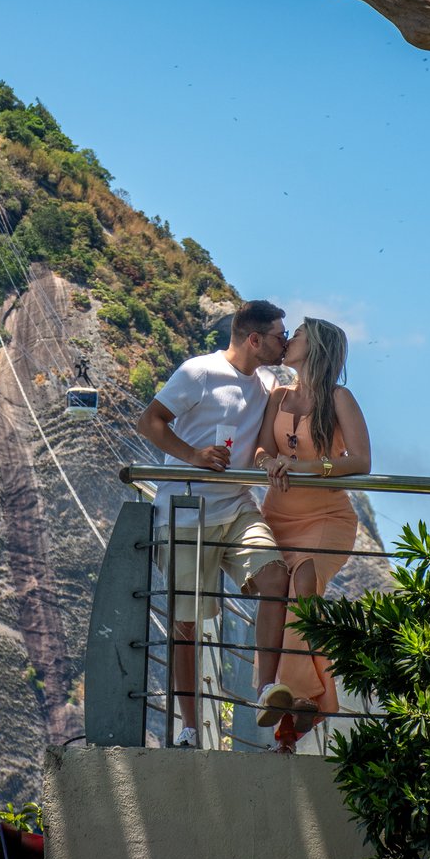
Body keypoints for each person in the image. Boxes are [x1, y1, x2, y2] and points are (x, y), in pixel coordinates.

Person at [138, 300, 293, 748]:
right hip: (186, 512)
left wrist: (269, 461)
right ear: (254, 339)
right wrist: (195, 457)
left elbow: (259, 444)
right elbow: (149, 421)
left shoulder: (266, 384)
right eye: (280, 336)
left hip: (238, 507)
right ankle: (189, 727)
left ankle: (265, 689)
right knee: (187, 624)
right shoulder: (198, 372)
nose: (284, 343)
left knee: (274, 576)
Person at [254, 317, 371, 752]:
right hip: (279, 515)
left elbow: (360, 461)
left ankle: (293, 690)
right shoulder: (279, 396)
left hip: (326, 515)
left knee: (305, 580)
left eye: (297, 334)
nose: (288, 340)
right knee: (284, 596)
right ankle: (303, 700)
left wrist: (309, 467)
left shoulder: (339, 397)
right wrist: (268, 462)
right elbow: (263, 447)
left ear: (315, 346)